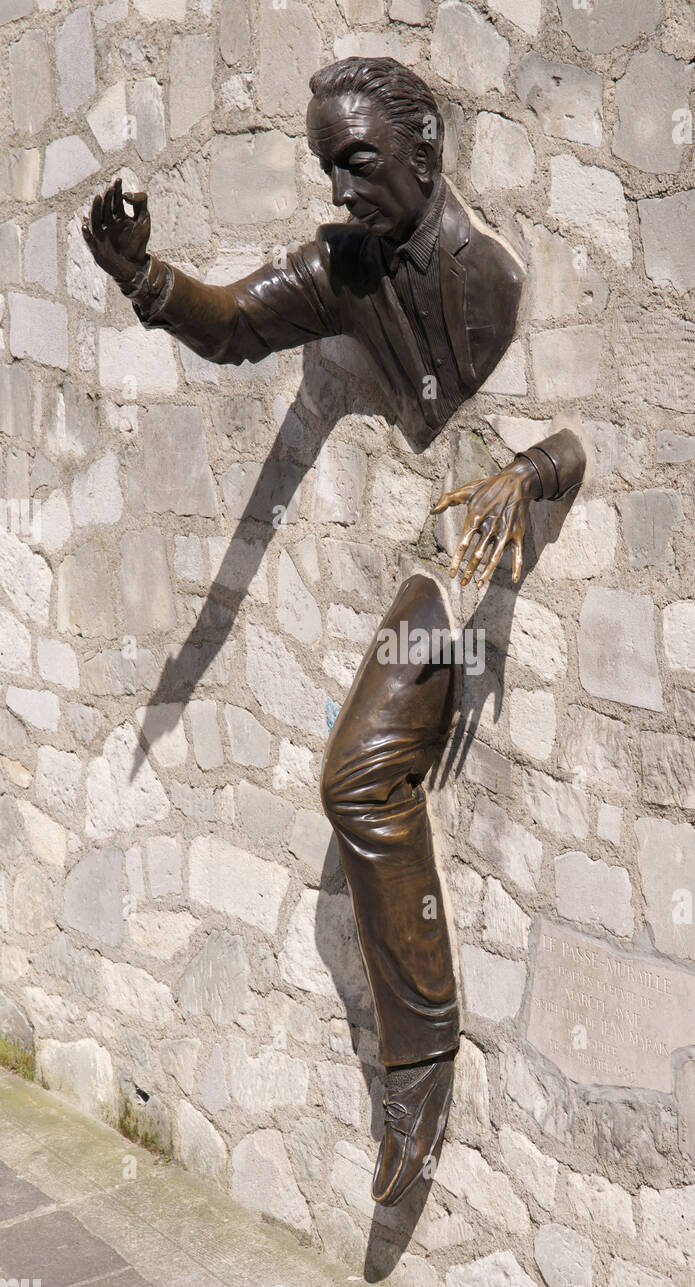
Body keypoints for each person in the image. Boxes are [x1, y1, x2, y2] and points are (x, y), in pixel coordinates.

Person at [83, 56, 587, 1205]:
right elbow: (234, 324)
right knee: (358, 773)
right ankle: (421, 1060)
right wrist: (143, 278)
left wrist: (541, 464)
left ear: (425, 148)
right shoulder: (344, 268)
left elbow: (586, 430)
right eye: (327, 168)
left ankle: (418, 1064)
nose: (342, 189)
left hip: (470, 565)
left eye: (357, 162)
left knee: (358, 776)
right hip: (432, 565)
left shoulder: (492, 275)